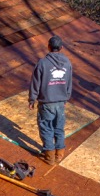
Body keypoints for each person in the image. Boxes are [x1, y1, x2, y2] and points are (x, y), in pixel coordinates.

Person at [29, 35, 73, 165]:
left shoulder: (42, 63)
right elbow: (69, 83)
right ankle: (60, 154)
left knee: (46, 128)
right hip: (60, 102)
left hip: (46, 102)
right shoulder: (67, 63)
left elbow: (35, 83)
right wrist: (66, 98)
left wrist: (32, 99)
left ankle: (49, 156)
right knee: (59, 128)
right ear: (61, 48)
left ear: (48, 46)